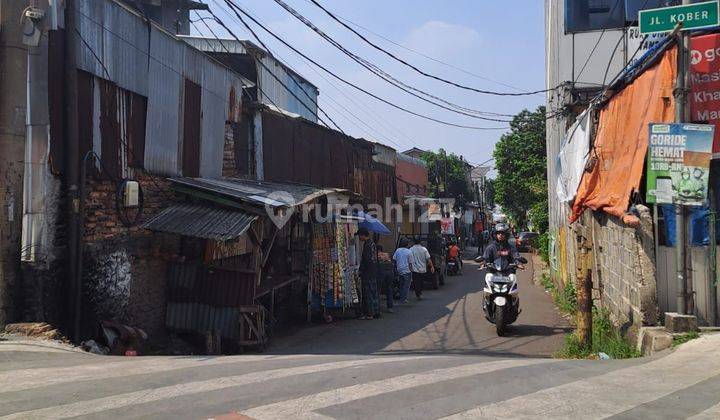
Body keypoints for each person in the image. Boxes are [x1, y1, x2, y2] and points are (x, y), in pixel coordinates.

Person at [357, 228, 379, 319]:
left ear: (363, 235)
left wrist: (360, 271)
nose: (359, 238)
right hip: (373, 271)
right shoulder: (373, 244)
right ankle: (375, 311)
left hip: (367, 273)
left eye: (359, 235)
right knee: (373, 292)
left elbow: (366, 260)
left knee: (367, 293)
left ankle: (369, 313)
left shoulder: (367, 245)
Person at [392, 238, 414, 304]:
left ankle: (401, 297)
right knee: (406, 286)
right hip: (407, 270)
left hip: (399, 270)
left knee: (401, 285)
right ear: (407, 244)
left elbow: (394, 259)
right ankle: (404, 299)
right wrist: (411, 271)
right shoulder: (409, 251)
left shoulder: (397, 250)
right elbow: (410, 263)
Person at [376, 245, 395, 313]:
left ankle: (377, 307)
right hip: (390, 273)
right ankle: (390, 307)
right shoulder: (387, 255)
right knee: (389, 289)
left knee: (378, 290)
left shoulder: (377, 255)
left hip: (381, 273)